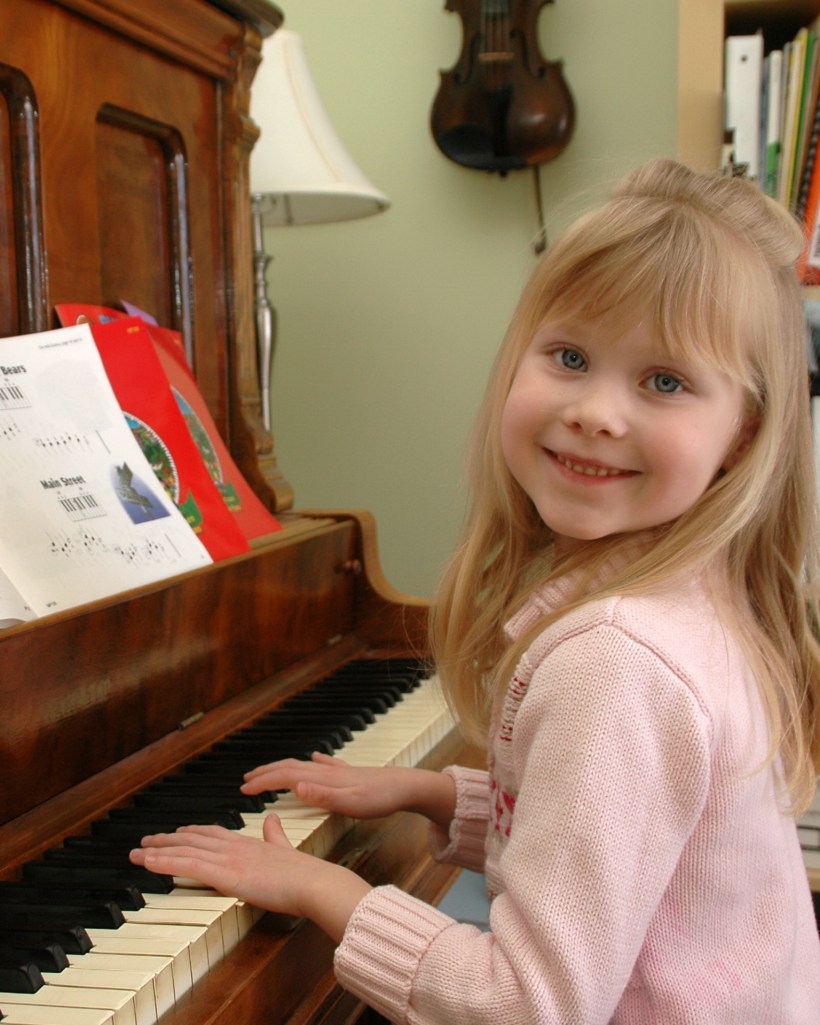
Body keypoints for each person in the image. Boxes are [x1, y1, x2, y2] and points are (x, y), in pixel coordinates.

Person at [130, 159, 820, 1024]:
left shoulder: (618, 664)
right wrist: (433, 793)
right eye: (570, 356)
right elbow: (631, 845)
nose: (598, 412)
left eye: (665, 381)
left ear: (743, 433)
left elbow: (527, 1005)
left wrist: (319, 885)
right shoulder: (696, 598)